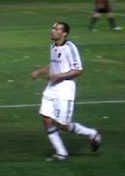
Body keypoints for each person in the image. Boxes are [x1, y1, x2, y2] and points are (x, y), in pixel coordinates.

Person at [31, 22, 102, 161]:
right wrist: (40, 72)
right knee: (46, 118)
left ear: (64, 33)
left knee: (63, 125)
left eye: (56, 29)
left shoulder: (70, 48)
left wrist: (58, 76)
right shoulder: (53, 46)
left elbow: (78, 70)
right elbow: (53, 64)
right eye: (52, 28)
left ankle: (92, 134)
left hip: (65, 89)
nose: (52, 31)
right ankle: (61, 153)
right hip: (52, 88)